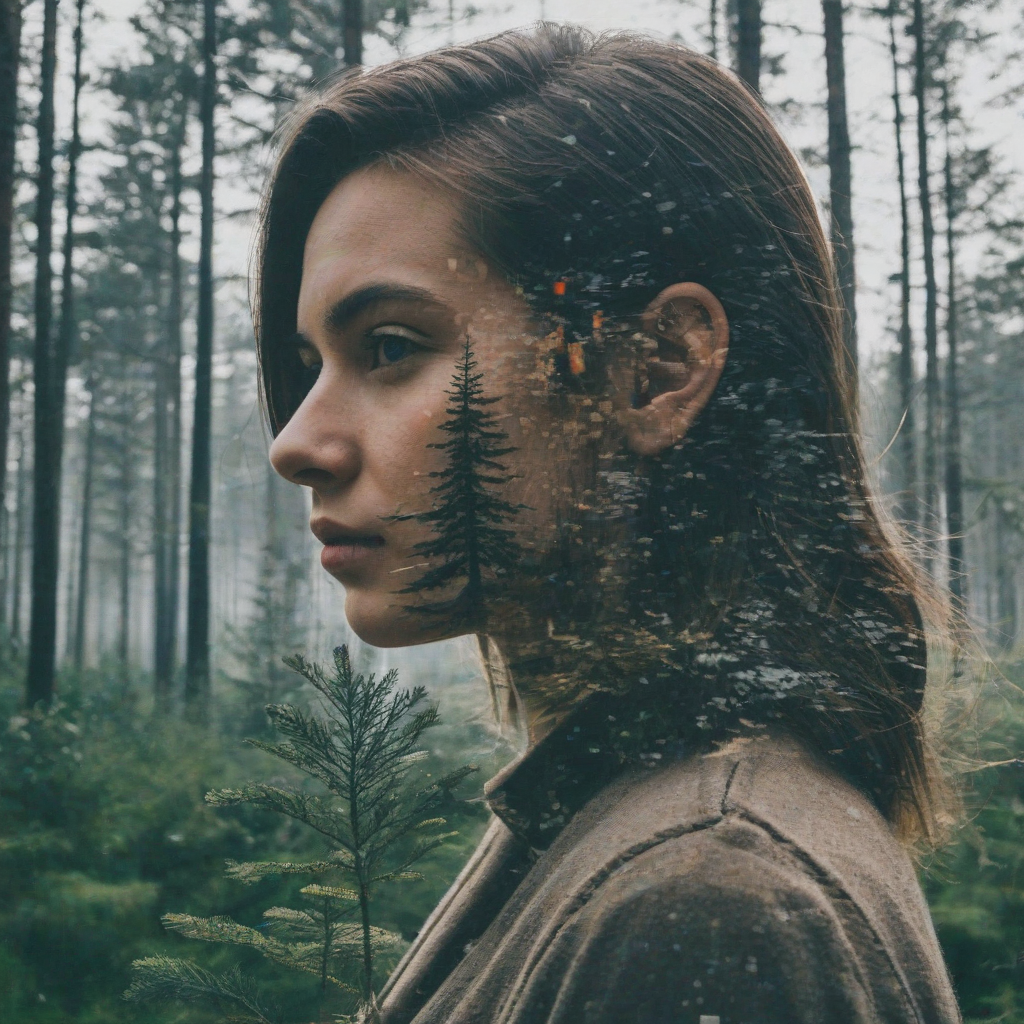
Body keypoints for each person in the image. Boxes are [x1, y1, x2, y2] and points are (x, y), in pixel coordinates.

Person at [259, 24, 961, 1023]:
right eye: (312, 361)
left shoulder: (710, 897)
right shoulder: (618, 815)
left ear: (658, 367)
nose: (296, 441)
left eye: (390, 346)